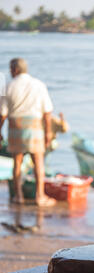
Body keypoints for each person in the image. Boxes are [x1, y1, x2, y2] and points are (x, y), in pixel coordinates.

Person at [0, 58, 56, 206]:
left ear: (15, 70)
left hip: (15, 128)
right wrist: (48, 132)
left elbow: (3, 114)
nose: (10, 72)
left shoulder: (7, 87)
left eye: (11, 69)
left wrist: (0, 131)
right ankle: (40, 196)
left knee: (17, 163)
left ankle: (18, 196)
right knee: (38, 162)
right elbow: (48, 112)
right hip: (35, 127)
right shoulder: (39, 85)